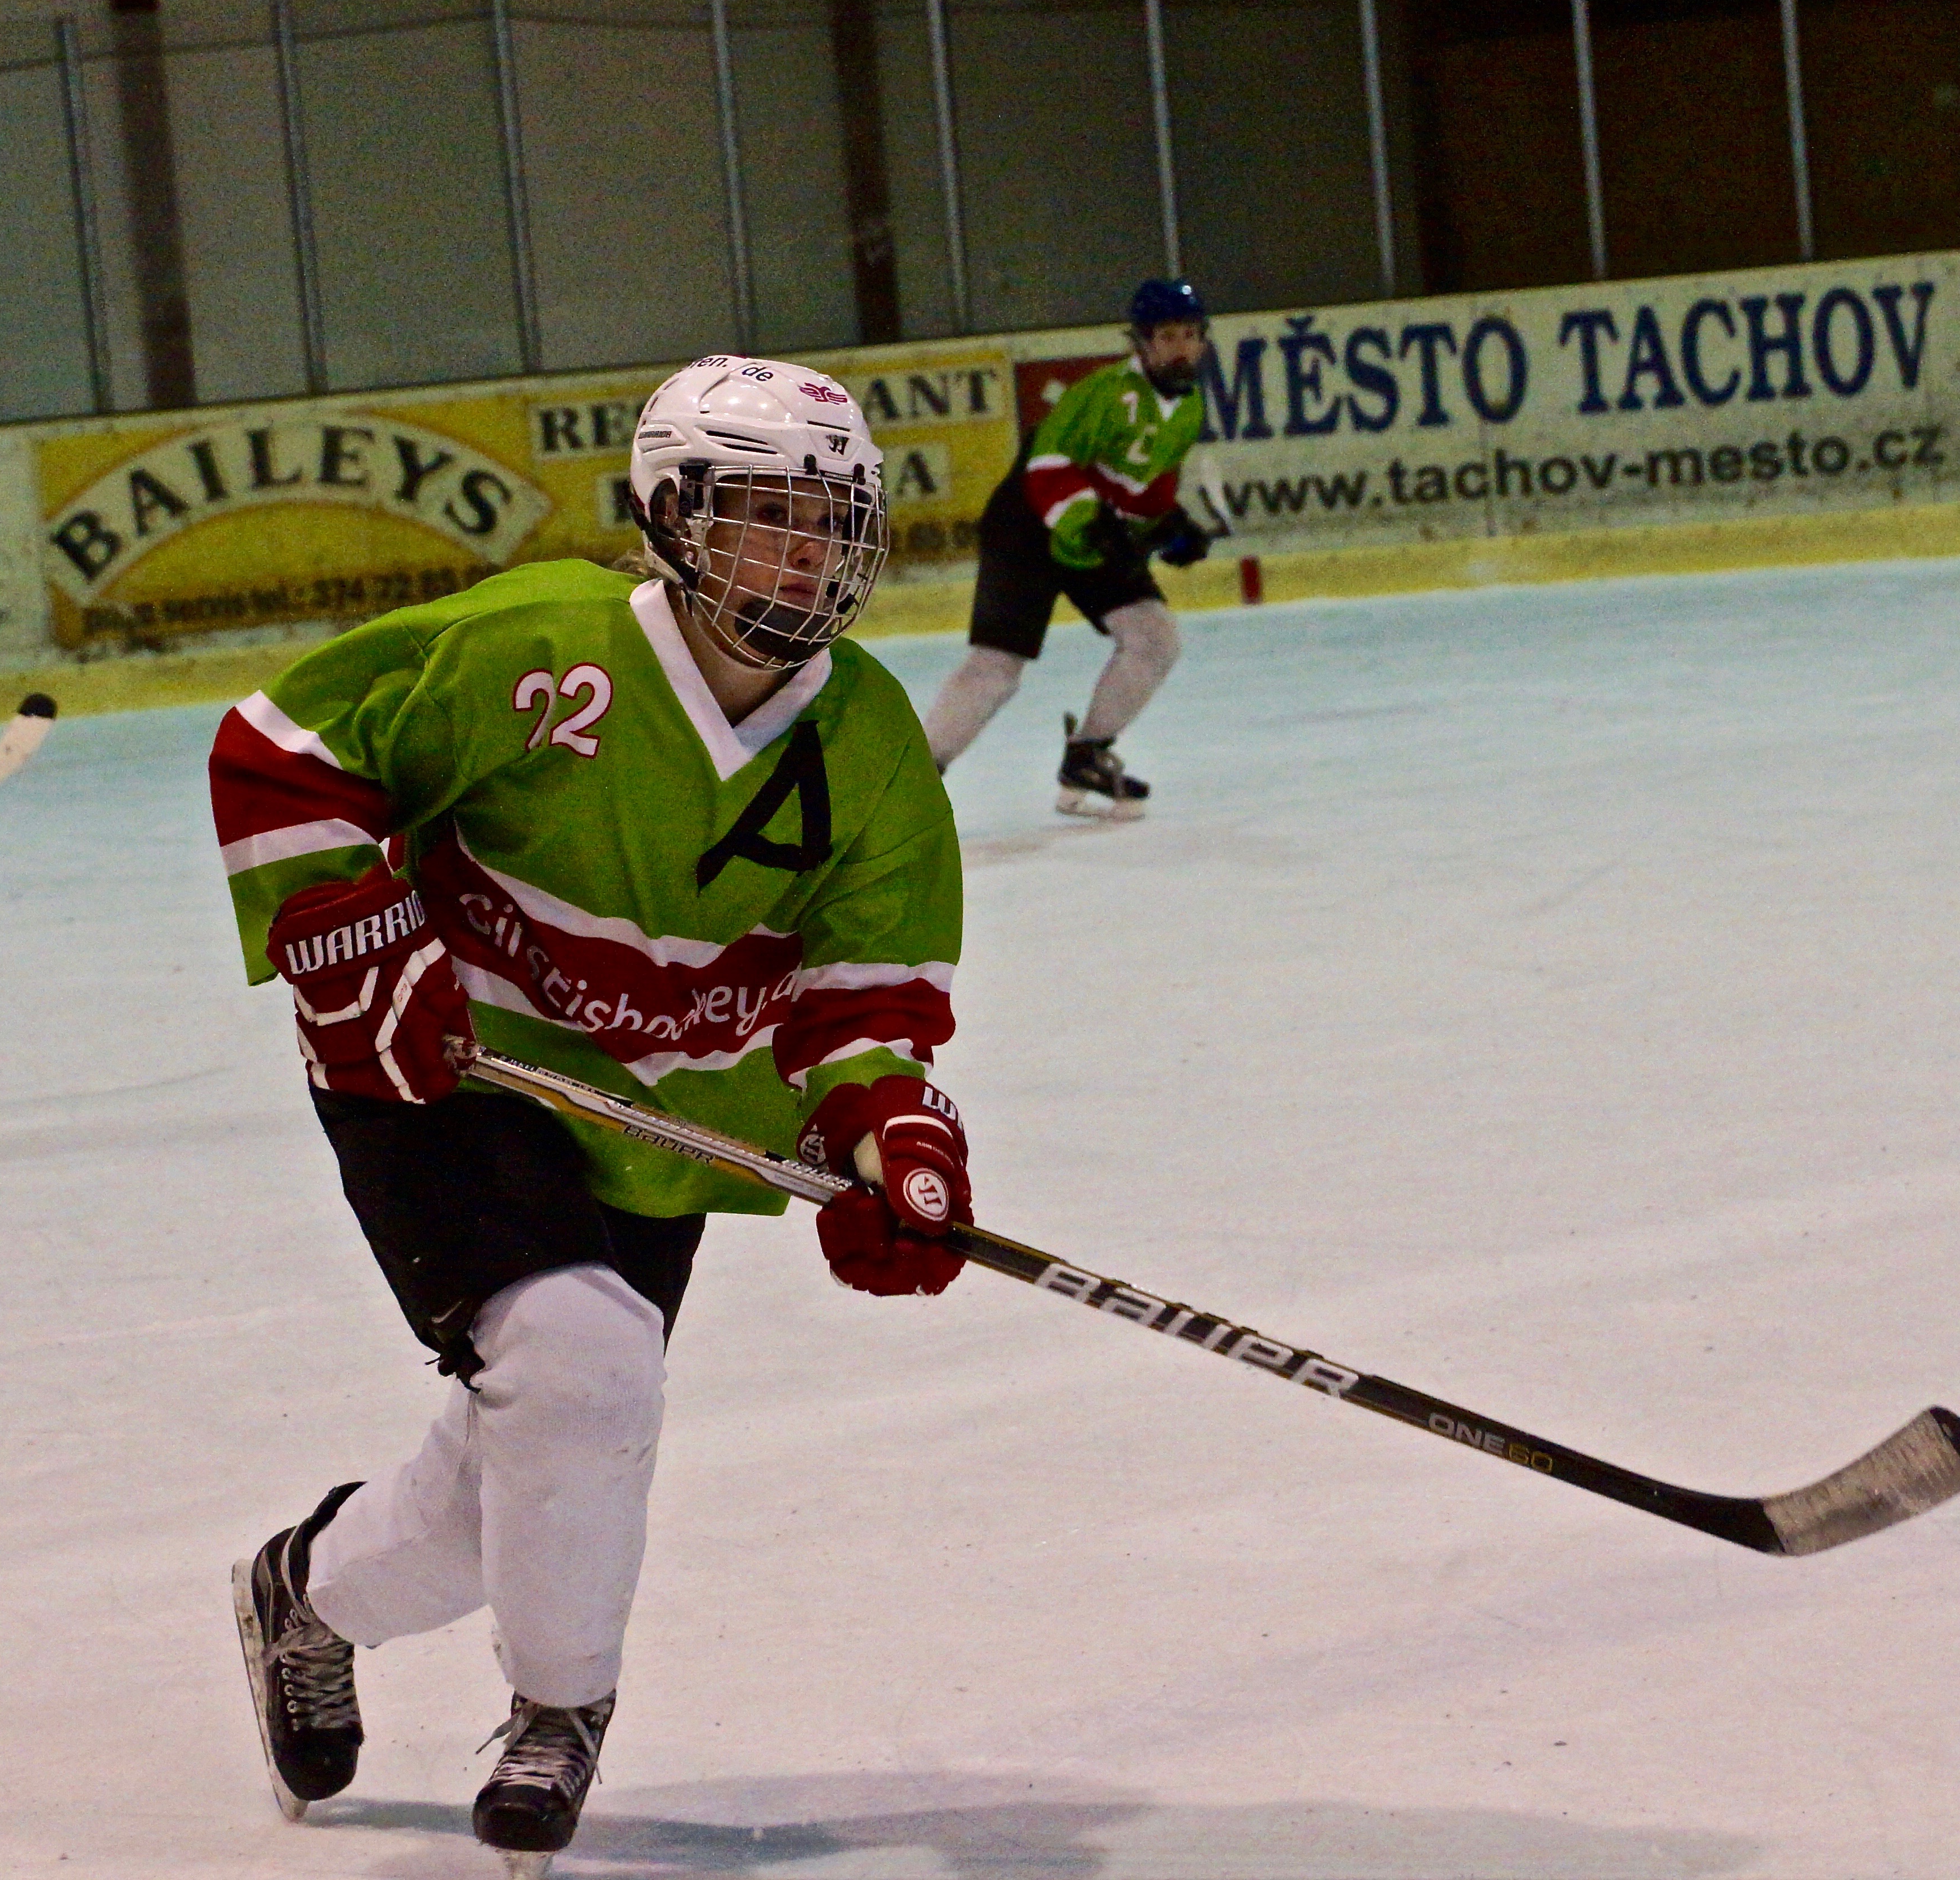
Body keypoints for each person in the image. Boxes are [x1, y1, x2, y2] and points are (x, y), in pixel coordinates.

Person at [211, 356, 970, 1872]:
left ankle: (304, 1590)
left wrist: (892, 1135)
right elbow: (284, 750)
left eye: (830, 522)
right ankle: (562, 1712)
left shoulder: (871, 741)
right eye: (764, 518)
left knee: (530, 1454)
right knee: (588, 1364)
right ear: (671, 517)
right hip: (451, 1070)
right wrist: (351, 938)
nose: (803, 556)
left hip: (654, 1128)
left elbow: (868, 987)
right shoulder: (542, 649)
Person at [922, 277, 1221, 817]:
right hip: (1026, 528)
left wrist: (1170, 528)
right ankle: (916, 777)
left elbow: (1146, 485)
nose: (1181, 348)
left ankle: (1087, 756)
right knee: (997, 667)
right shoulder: (1103, 394)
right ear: (1142, 343)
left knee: (1154, 639)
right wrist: (1093, 522)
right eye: (1168, 336)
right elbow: (1048, 468)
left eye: (1190, 335)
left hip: (1087, 530)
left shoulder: (1188, 406)